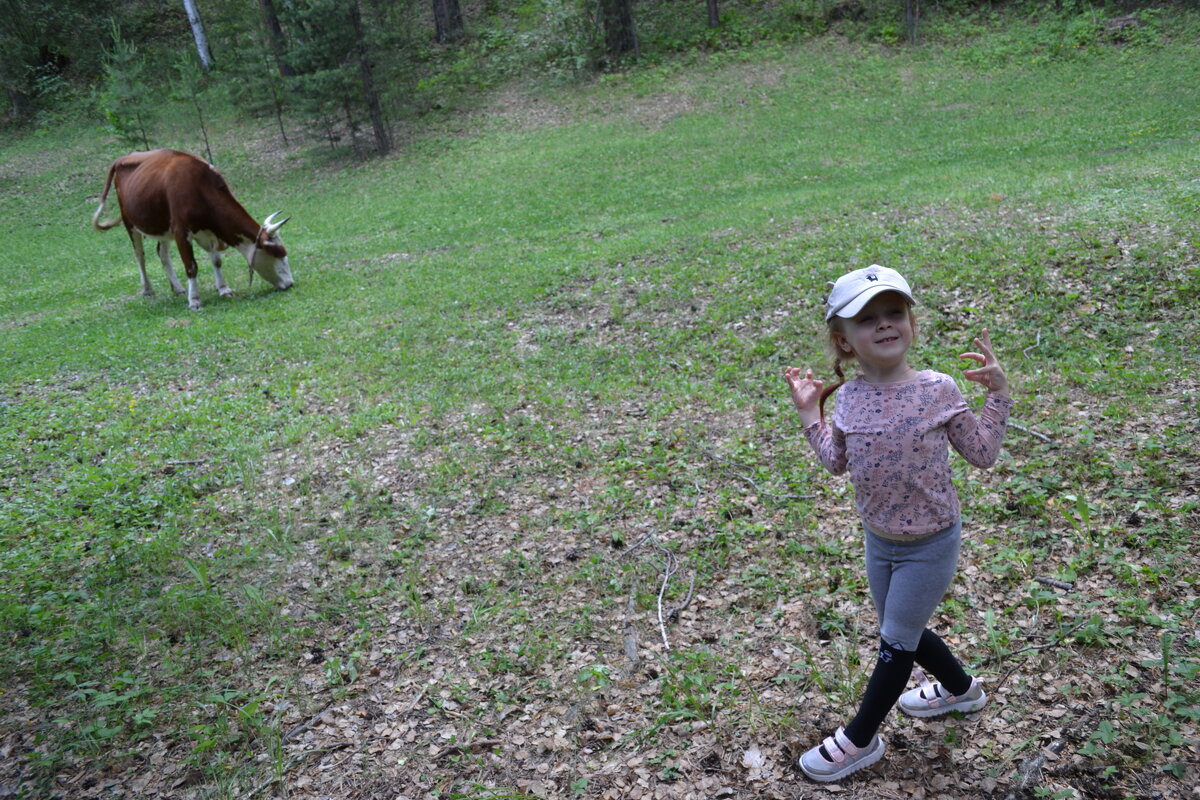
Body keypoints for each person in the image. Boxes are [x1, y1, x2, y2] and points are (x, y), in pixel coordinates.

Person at [783, 264, 1013, 783]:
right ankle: (962, 691)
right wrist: (808, 415)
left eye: (894, 312)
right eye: (868, 319)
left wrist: (997, 395)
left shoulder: (938, 389)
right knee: (902, 631)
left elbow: (983, 453)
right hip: (878, 540)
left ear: (910, 323)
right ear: (844, 341)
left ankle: (858, 740)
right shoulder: (848, 399)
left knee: (895, 641)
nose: (885, 324)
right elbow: (835, 461)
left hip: (931, 542)